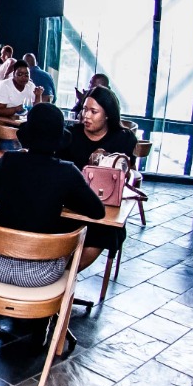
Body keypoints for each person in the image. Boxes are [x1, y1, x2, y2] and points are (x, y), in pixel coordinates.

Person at [0, 103, 106, 285]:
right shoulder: (67, 172)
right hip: (39, 275)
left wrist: (12, 189)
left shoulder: (9, 161)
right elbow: (98, 211)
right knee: (79, 235)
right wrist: (63, 196)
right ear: (59, 140)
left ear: (28, 135)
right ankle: (55, 299)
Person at [58, 86, 137, 268]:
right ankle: (57, 273)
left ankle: (65, 274)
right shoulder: (70, 135)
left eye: (93, 111)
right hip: (69, 204)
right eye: (84, 109)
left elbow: (126, 172)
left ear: (108, 114)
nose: (86, 116)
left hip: (103, 206)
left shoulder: (123, 139)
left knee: (105, 232)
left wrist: (107, 162)